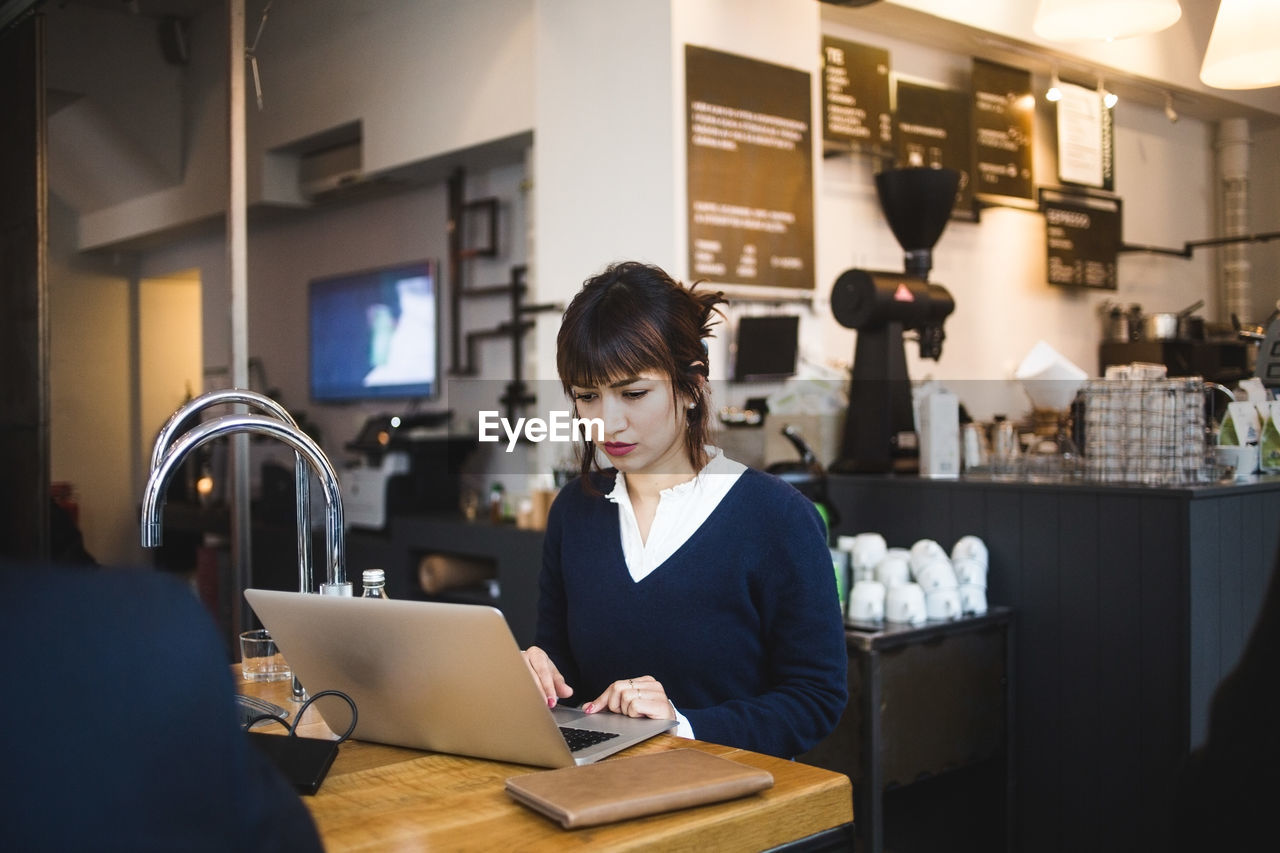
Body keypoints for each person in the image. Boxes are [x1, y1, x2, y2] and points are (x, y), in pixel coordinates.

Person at [522, 260, 848, 759]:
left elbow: (815, 699)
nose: (607, 423)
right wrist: (536, 672)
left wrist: (684, 726)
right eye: (587, 397)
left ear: (692, 384)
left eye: (633, 393)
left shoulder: (777, 519)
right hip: (596, 795)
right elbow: (562, 668)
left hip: (730, 805)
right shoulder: (575, 511)